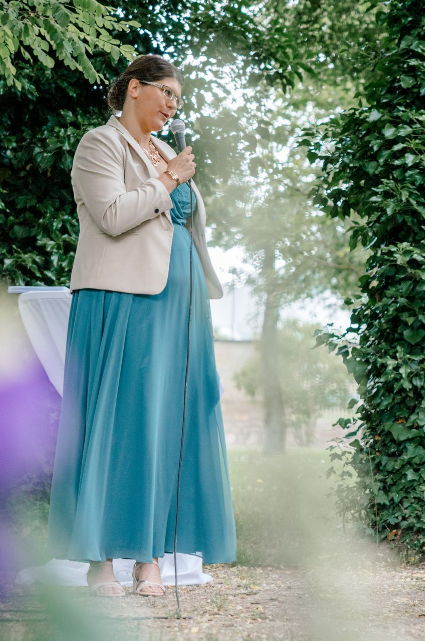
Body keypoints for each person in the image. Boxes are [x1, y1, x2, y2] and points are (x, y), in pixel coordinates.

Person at [46, 55, 236, 597]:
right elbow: (111, 215)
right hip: (122, 299)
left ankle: (150, 556)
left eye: (178, 98)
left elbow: (184, 223)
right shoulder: (99, 144)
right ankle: (101, 559)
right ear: (135, 88)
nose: (174, 105)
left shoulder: (168, 151)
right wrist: (170, 178)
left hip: (179, 304)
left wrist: (172, 173)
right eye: (166, 92)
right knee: (117, 423)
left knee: (165, 424)